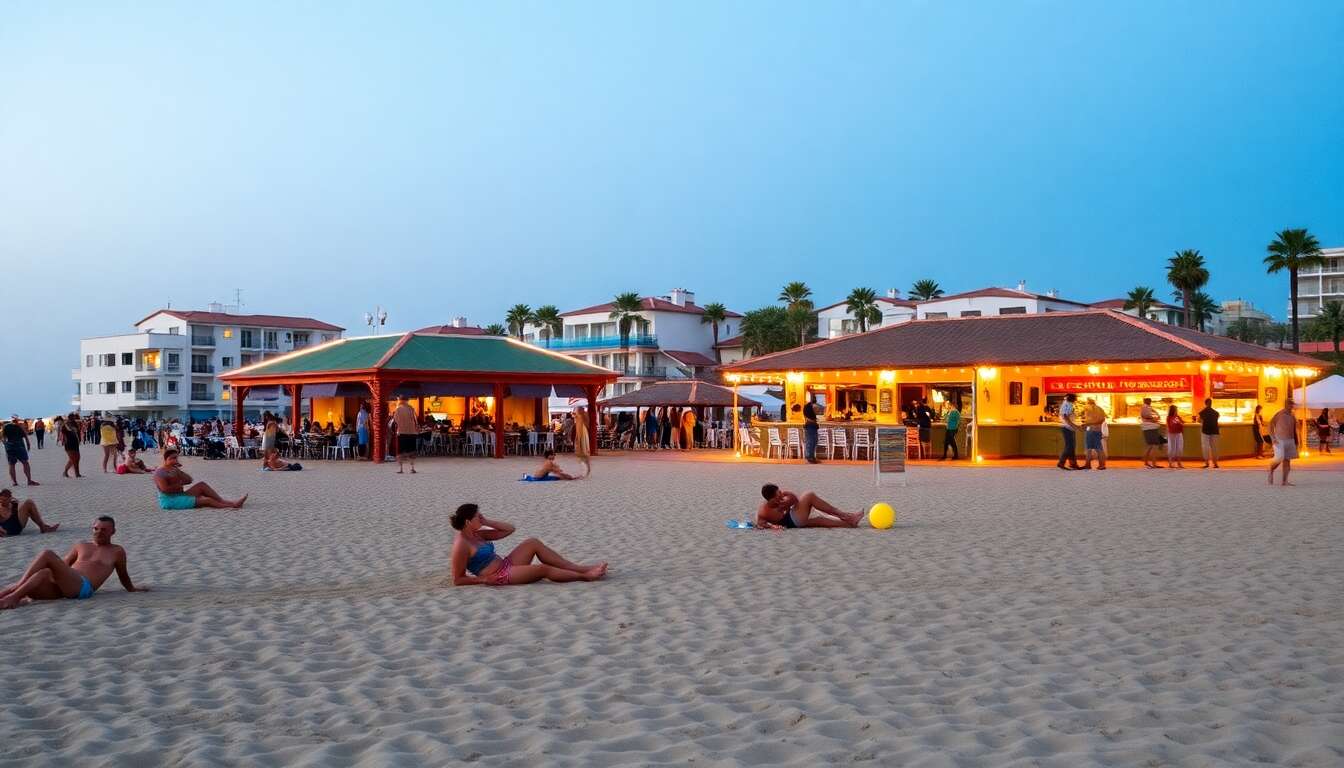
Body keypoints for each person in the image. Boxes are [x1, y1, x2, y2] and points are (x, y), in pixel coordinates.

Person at [0, 516, 147, 609]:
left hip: (83, 587)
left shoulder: (117, 551)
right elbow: (63, 565)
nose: (98, 532)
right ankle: (7, 596)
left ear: (113, 532)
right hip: (67, 585)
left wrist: (132, 589)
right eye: (96, 528)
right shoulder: (81, 546)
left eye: (104, 530)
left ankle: (13, 596)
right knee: (43, 573)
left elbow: (123, 575)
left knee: (47, 554)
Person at [449, 504, 607, 585]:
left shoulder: (476, 533)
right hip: (500, 576)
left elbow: (509, 529)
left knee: (532, 542)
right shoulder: (461, 545)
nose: (481, 518)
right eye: (478, 517)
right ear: (468, 522)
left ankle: (581, 568)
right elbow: (458, 579)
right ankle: (585, 576)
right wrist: (483, 580)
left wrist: (486, 521)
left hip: (506, 564)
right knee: (542, 569)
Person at [152, 448, 247, 509]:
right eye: (172, 458)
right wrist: (178, 485)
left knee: (202, 485)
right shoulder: (160, 472)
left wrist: (179, 473)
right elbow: (165, 490)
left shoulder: (175, 470)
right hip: (170, 500)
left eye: (176, 458)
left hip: (179, 494)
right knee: (206, 500)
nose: (175, 460)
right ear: (165, 460)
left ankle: (224, 501)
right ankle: (232, 506)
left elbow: (189, 480)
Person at [755, 484, 862, 529]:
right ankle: (845, 516)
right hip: (791, 521)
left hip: (793, 519)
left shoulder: (781, 498)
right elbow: (760, 523)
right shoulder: (763, 510)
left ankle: (849, 523)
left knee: (820, 520)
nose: (781, 496)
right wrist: (772, 526)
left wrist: (789, 498)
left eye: (780, 492)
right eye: (778, 495)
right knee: (809, 495)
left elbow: (795, 500)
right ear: (771, 499)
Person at [1267, 398, 1298, 486]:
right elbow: (1270, 425)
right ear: (1286, 404)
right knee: (1279, 459)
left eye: (1292, 404)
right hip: (1279, 440)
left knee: (1287, 461)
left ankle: (1284, 481)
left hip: (1290, 440)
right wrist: (1273, 438)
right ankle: (1271, 470)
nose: (1292, 406)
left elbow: (1294, 429)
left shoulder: (1292, 415)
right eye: (1290, 404)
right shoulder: (1280, 414)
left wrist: (1296, 441)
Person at [3, 415, 38, 486]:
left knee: (11, 464)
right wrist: (28, 443)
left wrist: (6, 444)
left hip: (10, 446)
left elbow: (3, 437)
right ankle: (29, 480)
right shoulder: (20, 426)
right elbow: (25, 434)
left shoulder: (5, 426)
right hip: (19, 445)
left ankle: (14, 482)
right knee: (25, 462)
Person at [391, 395, 419, 474]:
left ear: (401, 400)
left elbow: (395, 420)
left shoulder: (398, 409)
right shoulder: (411, 408)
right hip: (412, 432)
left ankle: (401, 469)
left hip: (402, 432)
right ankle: (412, 468)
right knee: (412, 451)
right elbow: (416, 421)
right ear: (407, 400)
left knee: (400, 451)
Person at [1056, 393, 1083, 470]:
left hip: (1068, 427)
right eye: (1076, 398)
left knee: (1071, 446)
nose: (1077, 400)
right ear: (1073, 399)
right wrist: (1074, 425)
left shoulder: (1066, 403)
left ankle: (1073, 463)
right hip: (1068, 428)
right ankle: (1061, 462)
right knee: (1069, 446)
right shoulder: (1069, 405)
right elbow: (1065, 416)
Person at [1081, 397, 1108, 470]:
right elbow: (1103, 420)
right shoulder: (1100, 408)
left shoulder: (1087, 407)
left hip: (1090, 429)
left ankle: (1088, 465)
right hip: (1098, 430)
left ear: (1088, 402)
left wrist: (1087, 424)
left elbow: (1087, 419)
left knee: (1088, 448)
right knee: (1099, 448)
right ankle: (1102, 465)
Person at [1139, 397, 1162, 468]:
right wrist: (1155, 419)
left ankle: (1146, 461)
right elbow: (1146, 416)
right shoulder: (1145, 407)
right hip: (1150, 428)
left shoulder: (1147, 407)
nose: (1150, 402)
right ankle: (1153, 463)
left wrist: (1155, 414)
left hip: (1149, 428)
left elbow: (1146, 416)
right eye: (1149, 401)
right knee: (1154, 445)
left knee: (1150, 445)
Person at [1197, 398, 1220, 469]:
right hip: (1215, 431)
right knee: (1215, 447)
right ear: (1211, 403)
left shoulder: (1202, 412)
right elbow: (1218, 418)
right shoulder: (1216, 412)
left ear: (1205, 403)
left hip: (1205, 431)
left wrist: (1204, 421)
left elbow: (1199, 421)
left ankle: (1207, 463)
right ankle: (1215, 463)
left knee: (1205, 447)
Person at [61, 414, 82, 478]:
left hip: (75, 443)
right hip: (68, 443)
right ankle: (75, 473)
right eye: (72, 417)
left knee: (77, 458)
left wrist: (79, 439)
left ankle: (69, 472)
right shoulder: (65, 425)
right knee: (73, 459)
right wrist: (63, 440)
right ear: (69, 418)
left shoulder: (75, 423)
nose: (73, 419)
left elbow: (78, 432)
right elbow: (63, 433)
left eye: (74, 417)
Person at [573, 406, 591, 478]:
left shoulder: (581, 417)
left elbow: (583, 427)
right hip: (581, 434)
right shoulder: (580, 417)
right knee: (581, 454)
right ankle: (586, 470)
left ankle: (586, 470)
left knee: (583, 453)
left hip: (582, 435)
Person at [802, 396, 820, 463]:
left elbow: (806, 415)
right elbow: (816, 412)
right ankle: (810, 457)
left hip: (809, 424)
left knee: (811, 441)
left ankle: (811, 457)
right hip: (811, 425)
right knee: (812, 441)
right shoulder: (812, 406)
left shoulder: (807, 406)